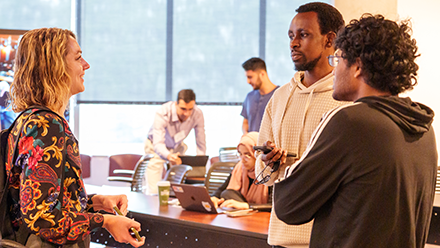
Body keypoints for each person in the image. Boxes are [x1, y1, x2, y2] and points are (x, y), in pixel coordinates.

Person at [272, 14, 437, 248]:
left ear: (357, 66)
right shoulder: (423, 127)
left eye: (337, 60)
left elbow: (289, 205)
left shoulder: (349, 121)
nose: (334, 69)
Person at [5, 28, 145, 247]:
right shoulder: (47, 126)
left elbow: (49, 204)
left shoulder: (27, 120)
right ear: (55, 67)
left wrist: (97, 202)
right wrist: (106, 221)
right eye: (78, 58)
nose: (86, 65)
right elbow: (42, 219)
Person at [254, 2, 348, 247]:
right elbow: (261, 176)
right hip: (280, 237)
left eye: (303, 35)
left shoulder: (346, 99)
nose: (293, 43)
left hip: (327, 239)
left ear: (330, 40)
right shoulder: (280, 97)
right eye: (291, 36)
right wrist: (267, 163)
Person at [144, 89, 206, 194]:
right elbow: (158, 143)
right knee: (154, 190)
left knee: (178, 189)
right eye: (183, 109)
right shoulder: (163, 112)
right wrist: (168, 156)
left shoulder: (197, 113)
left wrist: (200, 162)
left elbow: (201, 141)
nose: (186, 113)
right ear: (176, 103)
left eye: (190, 109)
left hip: (177, 147)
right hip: (155, 148)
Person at [211, 132, 271, 210]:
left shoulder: (270, 172)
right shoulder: (239, 168)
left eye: (247, 155)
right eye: (240, 154)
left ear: (259, 154)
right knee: (227, 193)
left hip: (263, 217)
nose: (242, 160)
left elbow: (274, 206)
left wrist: (246, 206)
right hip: (243, 217)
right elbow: (222, 189)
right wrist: (214, 198)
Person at [241, 58, 279, 134]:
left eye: (250, 77)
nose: (248, 81)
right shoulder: (249, 97)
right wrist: (247, 136)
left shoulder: (280, 95)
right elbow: (245, 122)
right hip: (252, 145)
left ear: (262, 74)